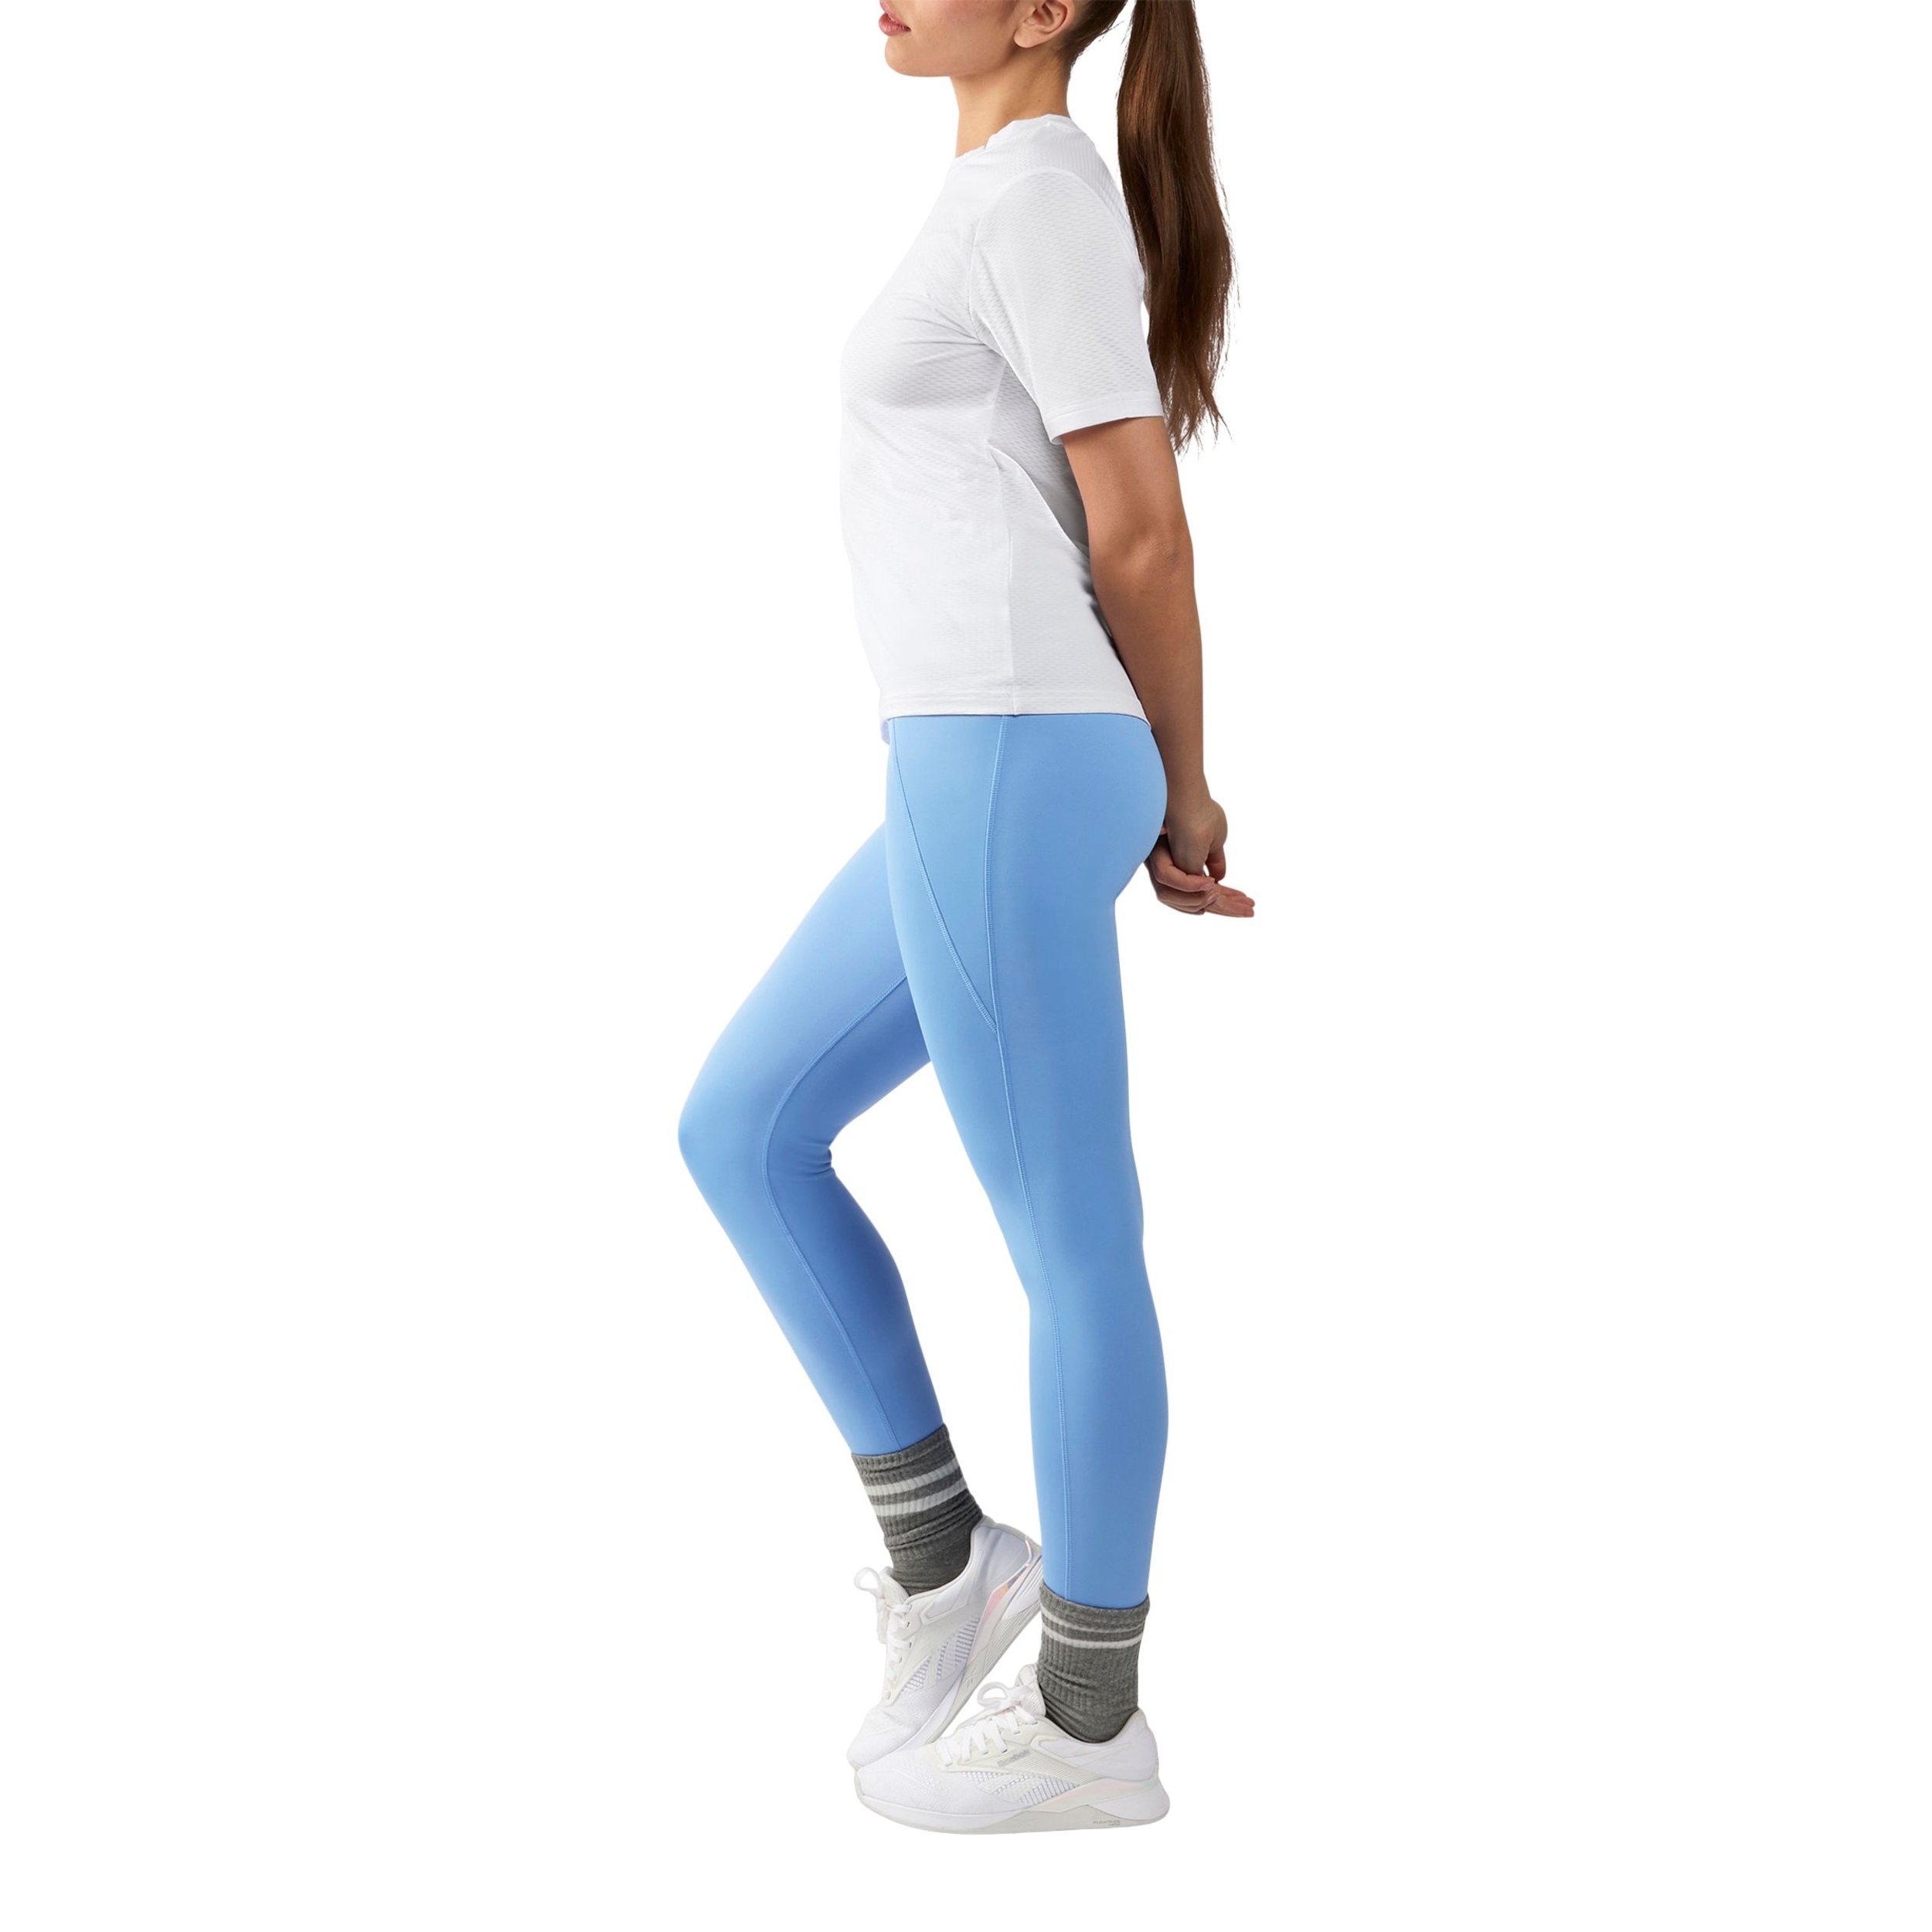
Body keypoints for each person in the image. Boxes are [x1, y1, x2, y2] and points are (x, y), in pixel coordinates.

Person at [678, 0, 1250, 1834]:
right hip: (973, 756)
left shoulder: (1034, 201)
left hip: (1005, 748)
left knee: (1071, 1236)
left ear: (1044, 11)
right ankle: (951, 1564)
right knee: (742, 1127)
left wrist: (1180, 788)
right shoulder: (1002, 196)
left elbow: (1140, 528)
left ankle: (1089, 1713)